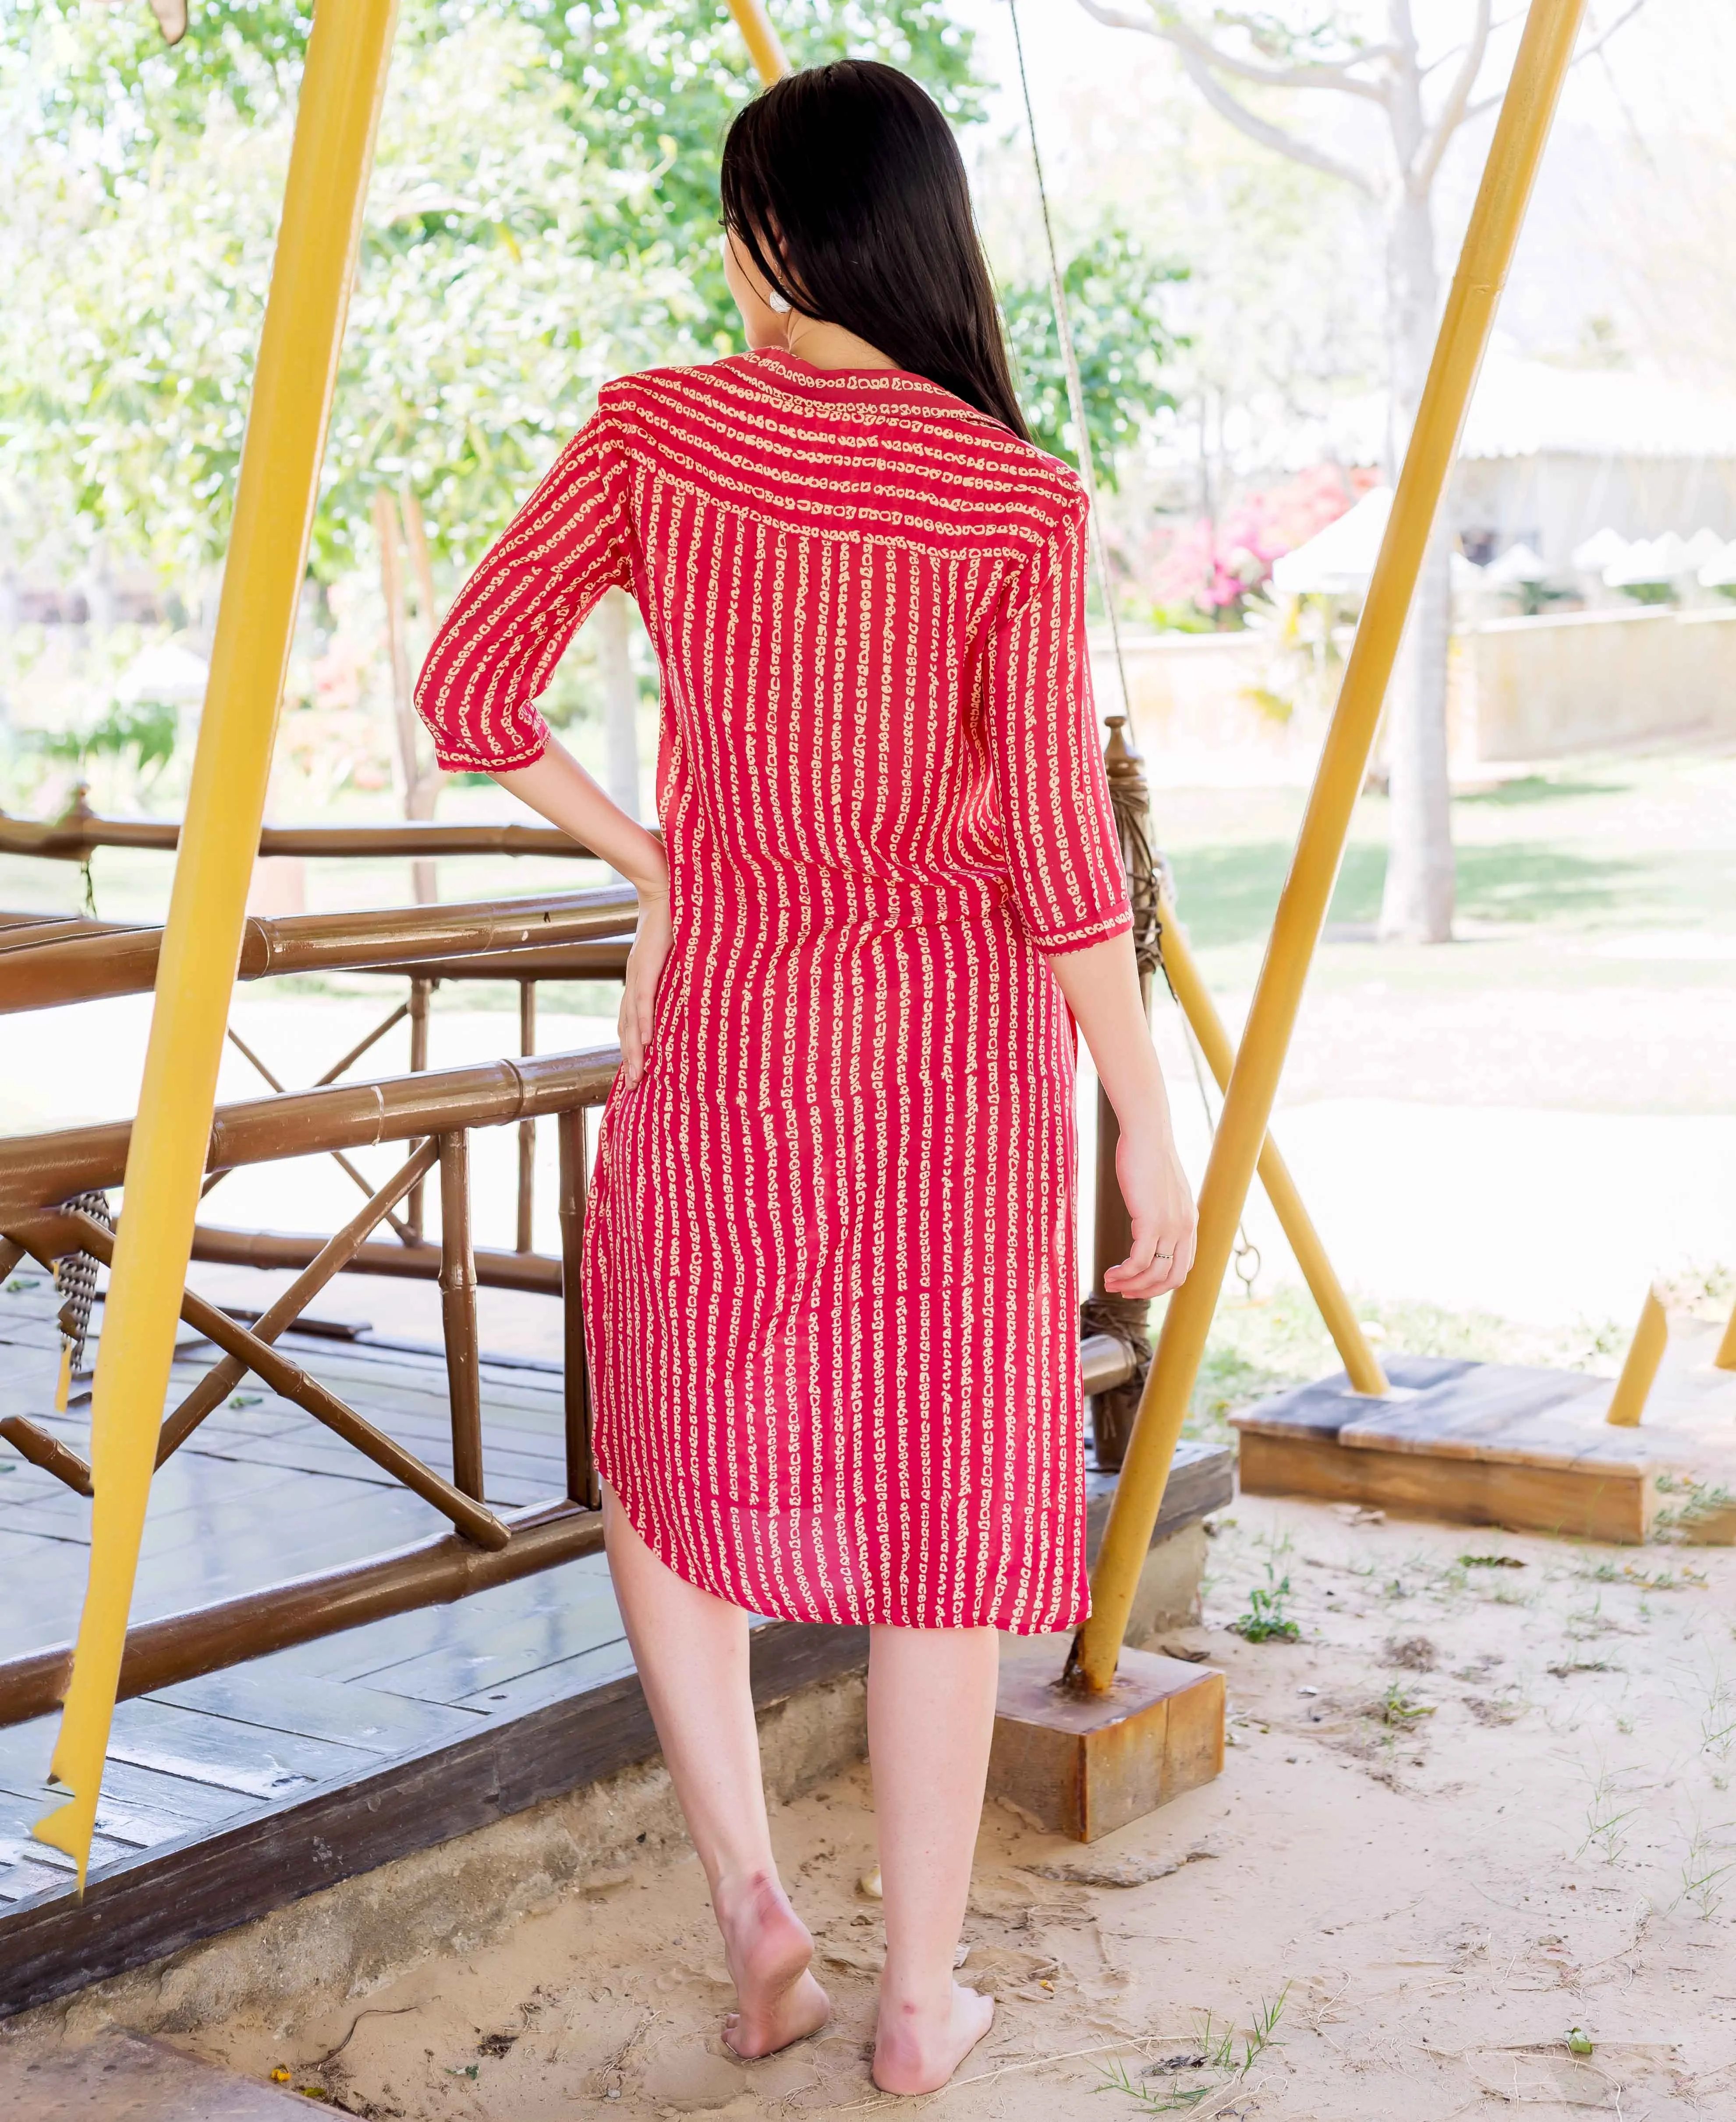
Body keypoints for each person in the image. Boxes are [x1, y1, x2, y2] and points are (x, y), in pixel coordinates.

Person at [414, 57, 1196, 2096]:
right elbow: (1053, 849)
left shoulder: (658, 432)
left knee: (675, 1443)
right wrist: (1146, 1113)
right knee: (942, 1489)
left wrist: (659, 857)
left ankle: (758, 1914)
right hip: (956, 1054)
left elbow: (467, 691)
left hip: (730, 1018)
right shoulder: (1011, 497)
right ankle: (923, 2003)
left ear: (780, 230)